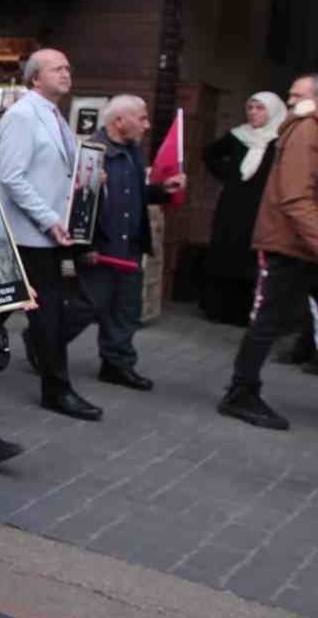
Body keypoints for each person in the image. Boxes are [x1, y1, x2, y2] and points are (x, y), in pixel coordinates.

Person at [0, 48, 103, 421]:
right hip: (28, 235)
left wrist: (89, 177)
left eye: (67, 67)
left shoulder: (53, 114)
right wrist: (47, 218)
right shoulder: (22, 116)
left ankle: (53, 385)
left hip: (49, 235)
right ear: (34, 77)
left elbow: (54, 171)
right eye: (57, 68)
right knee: (21, 311)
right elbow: (11, 176)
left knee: (39, 312)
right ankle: (55, 387)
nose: (66, 72)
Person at [61, 96, 186, 392]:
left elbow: (135, 195)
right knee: (88, 305)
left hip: (129, 244)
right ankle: (43, 341)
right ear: (119, 121)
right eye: (141, 118)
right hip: (101, 246)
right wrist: (82, 247)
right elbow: (79, 204)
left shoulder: (132, 152)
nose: (147, 125)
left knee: (125, 308)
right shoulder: (91, 152)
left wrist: (162, 191)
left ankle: (117, 364)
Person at [218, 74, 318, 431]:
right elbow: (296, 197)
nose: (291, 101)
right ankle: (241, 393)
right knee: (268, 321)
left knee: (274, 320)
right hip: (289, 243)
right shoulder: (308, 130)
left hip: (303, 243)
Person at [202, 91, 287, 324]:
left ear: (273, 111)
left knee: (250, 258)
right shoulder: (239, 135)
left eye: (260, 108)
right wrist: (228, 175)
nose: (253, 112)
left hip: (261, 208)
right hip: (232, 205)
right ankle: (215, 309)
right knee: (224, 253)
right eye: (250, 107)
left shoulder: (282, 138)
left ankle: (242, 313)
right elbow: (209, 153)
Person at [67, 153, 100, 240]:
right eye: (87, 169)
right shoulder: (75, 192)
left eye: (91, 169)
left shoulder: (93, 196)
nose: (89, 173)